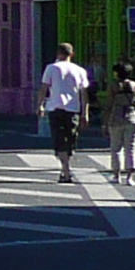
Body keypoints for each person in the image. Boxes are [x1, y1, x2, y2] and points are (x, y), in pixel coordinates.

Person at [37, 42, 92, 180]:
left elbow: (44, 88)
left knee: (59, 138)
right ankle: (66, 168)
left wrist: (40, 105)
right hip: (73, 108)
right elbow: (84, 93)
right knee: (71, 138)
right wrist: (85, 112)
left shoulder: (51, 68)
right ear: (72, 54)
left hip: (55, 107)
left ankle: (65, 168)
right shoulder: (79, 70)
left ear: (58, 53)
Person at [101, 59, 135, 182]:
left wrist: (104, 123)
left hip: (116, 118)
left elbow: (108, 106)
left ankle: (117, 175)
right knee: (131, 147)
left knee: (116, 148)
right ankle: (130, 177)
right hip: (132, 118)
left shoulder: (113, 86)